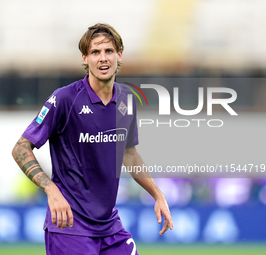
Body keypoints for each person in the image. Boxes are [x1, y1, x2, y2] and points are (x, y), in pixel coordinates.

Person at [12, 23, 173, 255]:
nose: (102, 58)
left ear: (119, 55)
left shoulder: (127, 100)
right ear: (85, 59)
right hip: (69, 226)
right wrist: (51, 190)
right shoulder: (65, 99)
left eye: (108, 51)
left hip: (109, 227)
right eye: (95, 52)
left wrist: (158, 195)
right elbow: (20, 149)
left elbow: (129, 155)